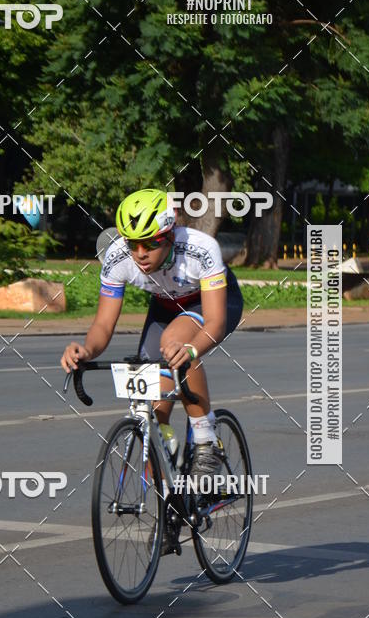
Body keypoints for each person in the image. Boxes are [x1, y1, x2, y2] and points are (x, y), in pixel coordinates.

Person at [60, 186, 243, 482]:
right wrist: (86, 350)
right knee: (153, 405)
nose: (140, 254)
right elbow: (103, 325)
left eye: (150, 244)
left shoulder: (200, 248)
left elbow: (215, 323)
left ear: (170, 236)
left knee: (174, 343)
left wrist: (192, 351)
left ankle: (206, 441)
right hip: (166, 305)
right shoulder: (119, 258)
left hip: (211, 303)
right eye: (134, 244)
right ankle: (170, 497)